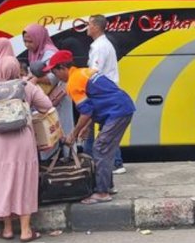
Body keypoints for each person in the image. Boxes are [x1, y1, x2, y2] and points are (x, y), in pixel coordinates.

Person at [46, 49, 135, 205]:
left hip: (117, 112)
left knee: (100, 148)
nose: (55, 76)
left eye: (54, 72)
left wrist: (73, 134)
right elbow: (93, 105)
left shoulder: (73, 82)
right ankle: (107, 186)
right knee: (105, 149)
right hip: (121, 108)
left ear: (62, 68)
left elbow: (86, 112)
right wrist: (86, 127)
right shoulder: (84, 72)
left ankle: (102, 192)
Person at [0, 56, 53, 242]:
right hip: (22, 140)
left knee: (3, 181)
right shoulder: (26, 86)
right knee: (24, 180)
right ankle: (26, 230)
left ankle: (7, 229)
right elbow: (47, 106)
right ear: (17, 69)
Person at [85, 14, 125, 173]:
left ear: (95, 27)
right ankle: (115, 162)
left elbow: (95, 72)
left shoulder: (99, 47)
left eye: (89, 25)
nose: (87, 28)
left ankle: (108, 162)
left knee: (101, 128)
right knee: (107, 129)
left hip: (103, 92)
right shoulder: (103, 44)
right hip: (107, 91)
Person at [23, 24, 74, 137]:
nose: (27, 45)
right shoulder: (34, 51)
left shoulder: (49, 52)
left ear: (38, 38)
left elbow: (54, 77)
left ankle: (70, 154)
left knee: (64, 129)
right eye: (25, 41)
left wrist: (35, 79)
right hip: (47, 98)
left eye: (30, 41)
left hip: (58, 97)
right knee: (49, 133)